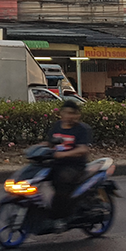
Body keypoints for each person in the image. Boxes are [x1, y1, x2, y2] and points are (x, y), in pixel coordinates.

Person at [44, 96, 92, 230]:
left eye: (73, 113)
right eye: (67, 113)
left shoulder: (82, 129)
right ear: (61, 113)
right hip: (56, 163)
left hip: (74, 166)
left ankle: (61, 217)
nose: (69, 116)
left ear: (78, 115)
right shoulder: (57, 126)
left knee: (62, 182)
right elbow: (49, 143)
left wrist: (63, 154)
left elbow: (83, 149)